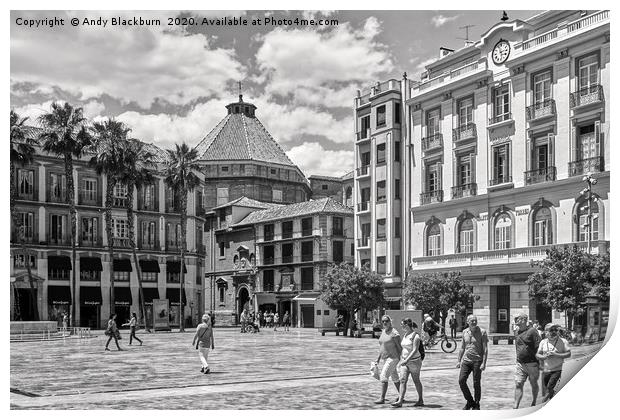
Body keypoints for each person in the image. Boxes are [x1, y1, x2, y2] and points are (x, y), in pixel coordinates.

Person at [456, 315, 488, 410]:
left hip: (477, 361)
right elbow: (462, 347)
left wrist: (484, 363)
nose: (474, 322)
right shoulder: (464, 332)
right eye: (472, 321)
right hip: (466, 360)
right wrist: (458, 360)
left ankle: (477, 403)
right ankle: (470, 401)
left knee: (476, 383)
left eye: (475, 320)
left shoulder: (482, 332)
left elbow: (485, 349)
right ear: (468, 322)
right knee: (461, 381)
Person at [392, 318, 424, 408]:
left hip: (414, 362)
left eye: (402, 324)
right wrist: (402, 358)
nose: (401, 325)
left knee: (416, 381)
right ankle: (400, 401)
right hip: (405, 361)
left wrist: (407, 360)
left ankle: (420, 400)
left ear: (406, 325)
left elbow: (415, 350)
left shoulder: (415, 336)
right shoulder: (405, 334)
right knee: (402, 380)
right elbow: (404, 348)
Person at [536, 323, 571, 402]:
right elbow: (538, 355)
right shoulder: (543, 342)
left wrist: (556, 354)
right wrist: (544, 357)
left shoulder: (563, 341)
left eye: (556, 330)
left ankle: (541, 404)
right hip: (546, 371)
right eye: (551, 330)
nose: (554, 332)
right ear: (546, 332)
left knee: (549, 389)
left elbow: (569, 354)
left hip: (557, 370)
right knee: (548, 393)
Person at [513, 313, 542, 408]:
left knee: (533, 383)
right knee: (518, 384)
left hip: (532, 363)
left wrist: (541, 362)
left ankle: (534, 402)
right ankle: (515, 406)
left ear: (524, 320)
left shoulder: (533, 331)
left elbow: (539, 346)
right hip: (520, 363)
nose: (515, 320)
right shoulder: (516, 332)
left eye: (517, 318)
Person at [374, 315, 401, 404]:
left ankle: (382, 398)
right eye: (383, 321)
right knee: (395, 378)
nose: (385, 323)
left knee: (383, 376)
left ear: (390, 322)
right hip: (385, 358)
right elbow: (381, 346)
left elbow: (399, 347)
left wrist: (402, 359)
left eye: (386, 321)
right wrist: (378, 359)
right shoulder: (384, 331)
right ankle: (402, 396)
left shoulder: (394, 333)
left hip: (393, 358)